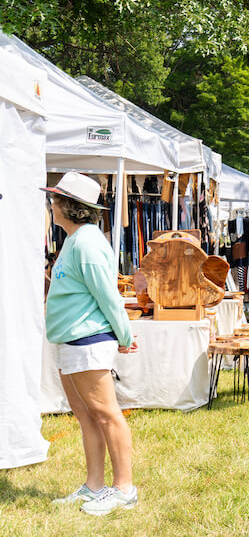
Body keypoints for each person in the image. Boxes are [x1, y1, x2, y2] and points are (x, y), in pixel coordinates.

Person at [44, 172, 139, 516]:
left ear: (70, 206)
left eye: (55, 199)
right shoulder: (75, 239)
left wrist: (125, 337)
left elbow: (109, 296)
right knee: (86, 416)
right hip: (72, 340)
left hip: (87, 341)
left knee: (105, 415)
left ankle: (124, 489)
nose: (51, 204)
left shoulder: (86, 242)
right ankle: (95, 485)